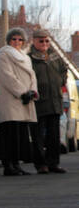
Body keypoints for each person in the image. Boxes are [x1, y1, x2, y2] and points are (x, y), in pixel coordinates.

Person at [0, 28, 38, 176]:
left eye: (20, 40)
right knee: (10, 134)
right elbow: (6, 76)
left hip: (25, 100)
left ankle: (16, 164)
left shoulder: (26, 57)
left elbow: (32, 76)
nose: (17, 42)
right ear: (9, 40)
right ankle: (9, 165)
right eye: (14, 39)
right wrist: (22, 92)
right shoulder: (3, 54)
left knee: (20, 135)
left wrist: (33, 91)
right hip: (11, 99)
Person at [28, 28, 67, 174]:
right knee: (38, 136)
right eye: (41, 41)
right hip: (39, 102)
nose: (44, 43)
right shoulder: (30, 58)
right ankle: (41, 164)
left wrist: (60, 81)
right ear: (34, 41)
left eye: (47, 41)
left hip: (55, 101)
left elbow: (64, 70)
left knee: (54, 135)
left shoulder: (55, 56)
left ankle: (53, 163)